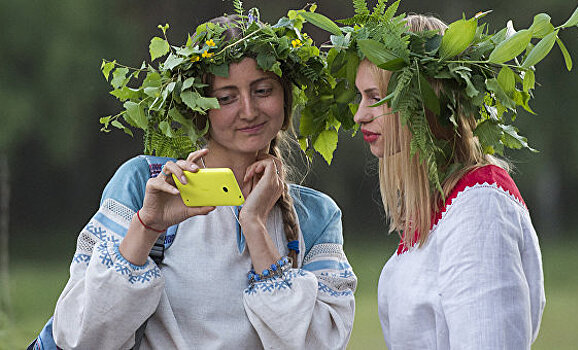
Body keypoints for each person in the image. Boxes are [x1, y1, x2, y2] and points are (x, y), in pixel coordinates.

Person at [30, 10, 356, 350]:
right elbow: (82, 337)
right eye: (226, 97)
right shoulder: (148, 185)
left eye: (262, 90)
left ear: (286, 99)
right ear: (197, 107)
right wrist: (147, 226)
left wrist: (255, 224)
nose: (248, 110)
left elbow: (320, 344)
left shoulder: (315, 215)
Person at [352, 14, 545, 348]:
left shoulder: (480, 205)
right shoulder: (445, 205)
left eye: (374, 96)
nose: (359, 114)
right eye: (360, 96)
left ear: (421, 100)